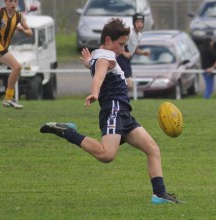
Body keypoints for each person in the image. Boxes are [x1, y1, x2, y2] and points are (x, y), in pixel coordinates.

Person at [40, 18, 183, 204]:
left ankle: (160, 195)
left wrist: (87, 60)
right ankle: (67, 132)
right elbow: (99, 75)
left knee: (152, 149)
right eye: (120, 44)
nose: (122, 49)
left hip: (124, 113)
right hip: (114, 109)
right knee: (107, 155)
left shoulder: (98, 56)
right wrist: (94, 93)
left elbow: (94, 65)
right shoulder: (106, 57)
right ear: (108, 40)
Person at [116, 13, 150, 89]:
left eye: (141, 22)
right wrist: (124, 53)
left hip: (127, 61)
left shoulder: (139, 35)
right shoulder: (129, 33)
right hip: (121, 59)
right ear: (134, 23)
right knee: (129, 84)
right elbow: (119, 43)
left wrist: (143, 53)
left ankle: (119, 97)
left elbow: (134, 49)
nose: (139, 24)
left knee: (126, 85)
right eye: (137, 22)